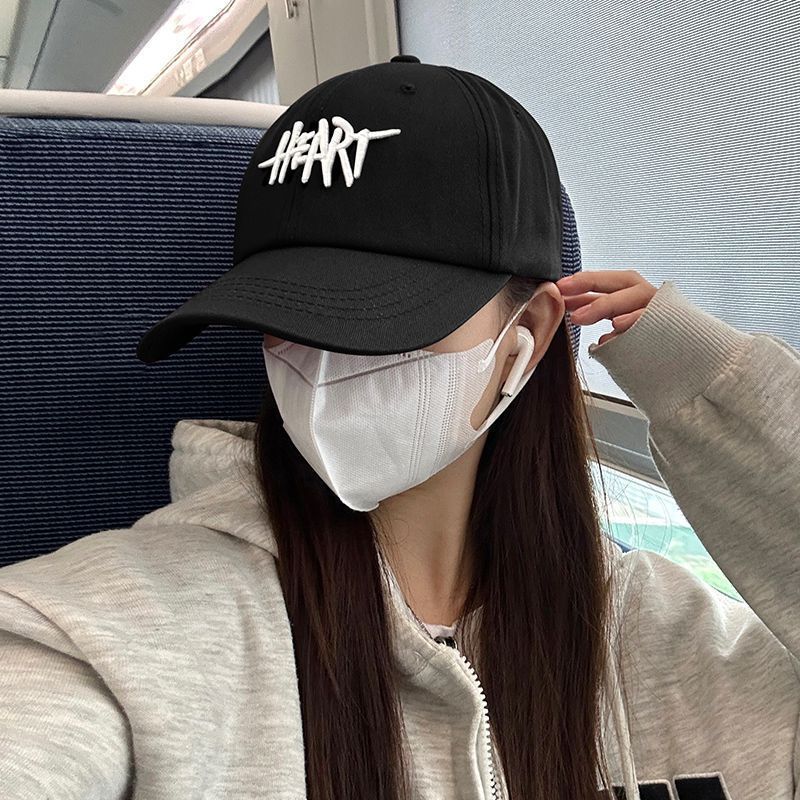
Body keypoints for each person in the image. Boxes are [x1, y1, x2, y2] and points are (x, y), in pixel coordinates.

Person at [1, 56, 798, 800]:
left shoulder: (669, 639)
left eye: (383, 320)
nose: (322, 368)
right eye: (287, 320)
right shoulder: (112, 632)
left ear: (525, 336)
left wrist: (716, 389)